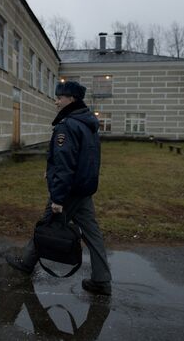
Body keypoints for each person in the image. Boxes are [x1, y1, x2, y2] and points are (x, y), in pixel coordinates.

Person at [6, 81, 113, 296]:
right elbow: (83, 159)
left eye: (59, 97)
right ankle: (101, 280)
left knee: (47, 224)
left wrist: (57, 198)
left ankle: (26, 263)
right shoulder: (87, 123)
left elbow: (66, 164)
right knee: (93, 234)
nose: (56, 101)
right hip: (83, 188)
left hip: (69, 190)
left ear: (71, 99)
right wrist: (52, 169)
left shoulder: (68, 125)